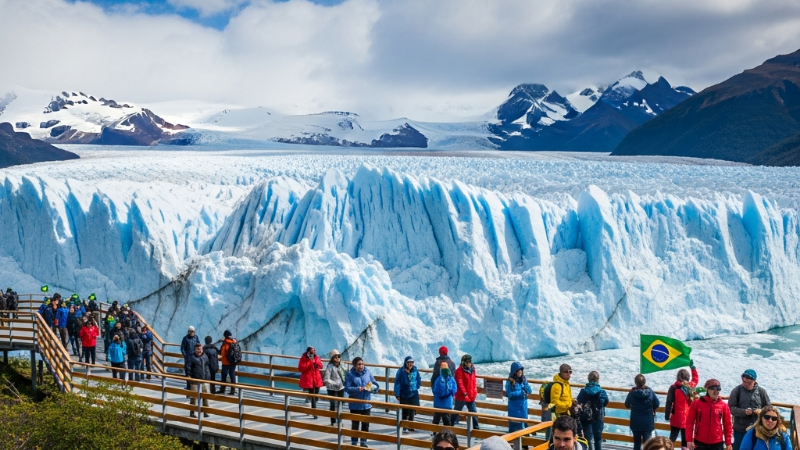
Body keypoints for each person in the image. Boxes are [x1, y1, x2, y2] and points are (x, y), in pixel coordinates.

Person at [729, 370, 771, 450]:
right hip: (740, 429)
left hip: (757, 429)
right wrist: (743, 412)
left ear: (754, 381)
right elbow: (731, 408)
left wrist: (761, 411)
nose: (745, 384)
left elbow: (769, 409)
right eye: (744, 381)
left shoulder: (761, 392)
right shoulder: (737, 390)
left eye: (748, 382)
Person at [686, 379, 733, 450]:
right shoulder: (696, 403)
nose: (716, 391)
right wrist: (689, 440)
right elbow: (689, 422)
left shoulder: (723, 405)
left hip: (717, 443)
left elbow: (728, 425)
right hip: (699, 442)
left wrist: (728, 443)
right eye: (713, 388)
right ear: (707, 390)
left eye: (718, 389)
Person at [345, 356, 379, 448]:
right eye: (359, 364)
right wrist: (357, 389)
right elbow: (347, 388)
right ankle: (354, 442)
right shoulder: (350, 374)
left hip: (366, 404)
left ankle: (363, 442)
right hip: (355, 405)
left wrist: (373, 388)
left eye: (362, 364)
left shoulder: (367, 372)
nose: (361, 366)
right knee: (355, 424)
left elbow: (374, 383)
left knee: (365, 424)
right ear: (354, 365)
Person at [666, 363, 700, 450]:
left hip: (676, 418)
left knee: (672, 439)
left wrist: (667, 415)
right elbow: (696, 379)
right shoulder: (690, 387)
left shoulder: (673, 387)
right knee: (685, 441)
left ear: (677, 377)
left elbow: (669, 402)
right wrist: (693, 368)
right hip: (687, 418)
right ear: (688, 378)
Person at [625, 374, 660, 450]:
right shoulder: (650, 392)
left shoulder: (632, 393)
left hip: (635, 422)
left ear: (635, 383)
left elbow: (627, 405)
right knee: (647, 445)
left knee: (637, 444)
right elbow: (657, 404)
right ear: (644, 382)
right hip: (647, 422)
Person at [577, 371, 609, 450]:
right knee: (598, 439)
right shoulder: (602, 392)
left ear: (588, 379)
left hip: (586, 418)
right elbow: (605, 402)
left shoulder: (583, 391)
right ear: (598, 379)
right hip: (599, 417)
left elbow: (579, 403)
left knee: (588, 439)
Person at [394, 356, 421, 432]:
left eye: (411, 362)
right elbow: (397, 383)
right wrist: (397, 394)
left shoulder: (415, 369)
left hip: (414, 393)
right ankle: (405, 426)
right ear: (405, 363)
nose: (410, 364)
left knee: (412, 410)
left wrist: (418, 385)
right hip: (404, 393)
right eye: (408, 362)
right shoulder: (401, 371)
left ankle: (410, 426)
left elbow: (418, 378)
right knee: (405, 411)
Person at [453, 354, 479, 429]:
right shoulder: (459, 370)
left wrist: (475, 391)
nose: (469, 364)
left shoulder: (473, 369)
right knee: (456, 411)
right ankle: (451, 425)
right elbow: (460, 382)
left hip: (470, 395)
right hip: (461, 396)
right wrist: (465, 393)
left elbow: (474, 381)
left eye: (470, 362)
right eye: (467, 362)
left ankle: (476, 429)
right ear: (463, 362)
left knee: (473, 412)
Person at [505, 361, 532, 433]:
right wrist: (521, 392)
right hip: (514, 409)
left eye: (521, 370)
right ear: (514, 371)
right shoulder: (510, 381)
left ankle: (525, 439)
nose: (520, 372)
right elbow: (509, 394)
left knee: (524, 429)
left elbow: (530, 391)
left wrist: (525, 384)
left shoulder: (523, 380)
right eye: (518, 370)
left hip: (523, 408)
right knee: (515, 430)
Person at [187, 343, 210, 418]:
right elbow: (188, 368)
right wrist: (189, 377)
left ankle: (205, 411)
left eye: (200, 349)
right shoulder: (191, 357)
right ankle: (192, 412)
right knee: (194, 397)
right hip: (195, 379)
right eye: (197, 349)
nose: (199, 351)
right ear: (194, 350)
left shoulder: (205, 356)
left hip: (204, 379)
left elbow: (207, 367)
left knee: (205, 396)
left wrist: (208, 376)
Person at [299, 346, 324, 417]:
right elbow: (301, 368)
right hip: (309, 379)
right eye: (310, 352)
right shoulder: (303, 358)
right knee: (313, 395)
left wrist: (315, 362)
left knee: (316, 394)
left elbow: (321, 366)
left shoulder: (316, 357)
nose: (311, 354)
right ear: (307, 352)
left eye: (312, 352)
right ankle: (314, 412)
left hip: (316, 379)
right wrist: (309, 362)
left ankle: (309, 404)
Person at [323, 350, 347, 426]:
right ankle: (333, 421)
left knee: (340, 404)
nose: (337, 358)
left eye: (338, 356)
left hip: (341, 387)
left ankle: (340, 420)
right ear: (332, 358)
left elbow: (346, 374)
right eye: (335, 357)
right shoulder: (330, 366)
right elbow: (326, 379)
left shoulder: (342, 365)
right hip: (331, 388)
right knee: (332, 405)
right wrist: (335, 383)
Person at [220, 330, 239, 395]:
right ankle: (233, 390)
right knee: (232, 374)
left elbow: (223, 352)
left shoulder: (226, 342)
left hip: (226, 362)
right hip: (233, 361)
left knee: (224, 375)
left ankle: (222, 389)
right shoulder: (234, 341)